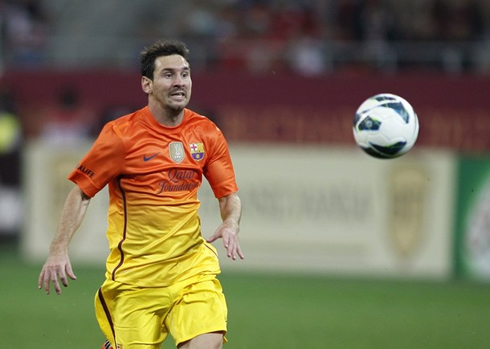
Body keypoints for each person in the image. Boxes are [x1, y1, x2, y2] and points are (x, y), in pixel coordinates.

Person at [38, 39, 244, 349]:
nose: (180, 83)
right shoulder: (121, 136)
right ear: (146, 84)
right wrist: (58, 247)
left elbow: (229, 196)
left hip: (191, 270)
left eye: (185, 74)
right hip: (136, 280)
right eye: (169, 75)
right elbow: (81, 193)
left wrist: (231, 222)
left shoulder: (206, 133)